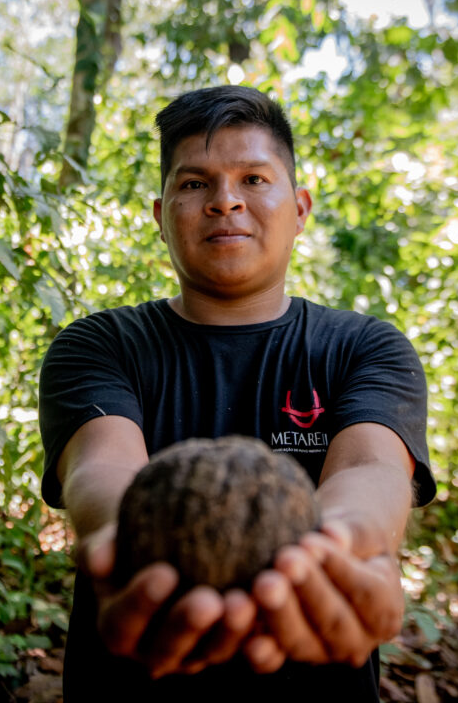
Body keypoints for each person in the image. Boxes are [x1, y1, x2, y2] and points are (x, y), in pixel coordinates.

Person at [39, 85, 436, 701]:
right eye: (195, 183)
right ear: (161, 212)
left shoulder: (365, 347)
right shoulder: (99, 344)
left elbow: (371, 469)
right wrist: (129, 542)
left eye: (253, 178)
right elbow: (103, 466)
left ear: (300, 209)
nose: (225, 201)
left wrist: (338, 545)